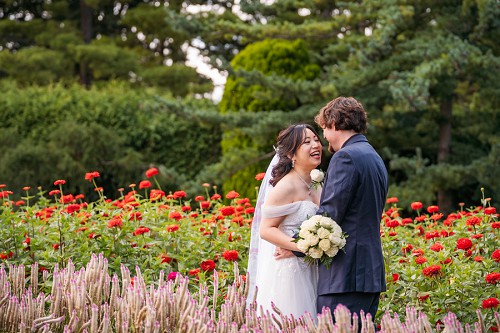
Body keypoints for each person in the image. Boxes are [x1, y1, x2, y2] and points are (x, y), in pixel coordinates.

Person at [313, 96, 388, 323]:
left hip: (345, 276)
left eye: (324, 128)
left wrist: (295, 247)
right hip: (368, 273)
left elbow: (329, 215)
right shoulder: (374, 157)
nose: (324, 136)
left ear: (334, 123)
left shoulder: (345, 156)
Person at [246, 123, 323, 319]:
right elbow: (266, 229)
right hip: (290, 272)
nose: (315, 145)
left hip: (314, 268)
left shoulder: (316, 183)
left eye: (316, 139)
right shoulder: (285, 186)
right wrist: (301, 246)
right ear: (291, 154)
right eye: (307, 142)